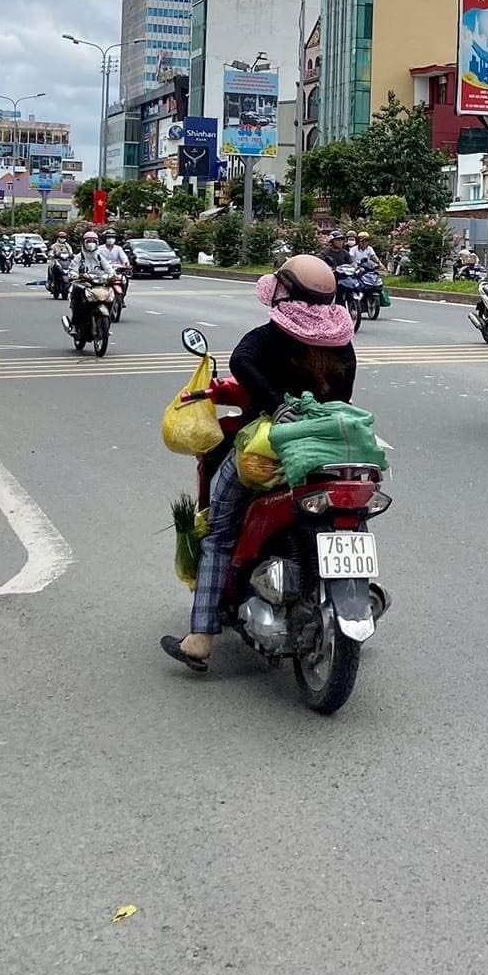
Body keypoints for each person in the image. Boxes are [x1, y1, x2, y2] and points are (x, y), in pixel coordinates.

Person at [162, 255, 357, 674]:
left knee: (218, 532)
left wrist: (275, 405)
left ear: (284, 292)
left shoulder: (271, 336)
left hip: (267, 448)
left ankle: (199, 638)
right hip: (331, 448)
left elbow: (240, 363)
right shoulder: (342, 341)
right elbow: (345, 397)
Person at [63, 228, 113, 331]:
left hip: (98, 284)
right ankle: (75, 325)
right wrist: (75, 275)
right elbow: (72, 270)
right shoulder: (79, 257)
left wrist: (112, 275)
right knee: (78, 301)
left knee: (110, 295)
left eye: (94, 241)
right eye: (88, 241)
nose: (91, 244)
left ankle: (107, 320)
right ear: (84, 243)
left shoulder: (100, 257)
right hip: (82, 284)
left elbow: (109, 269)